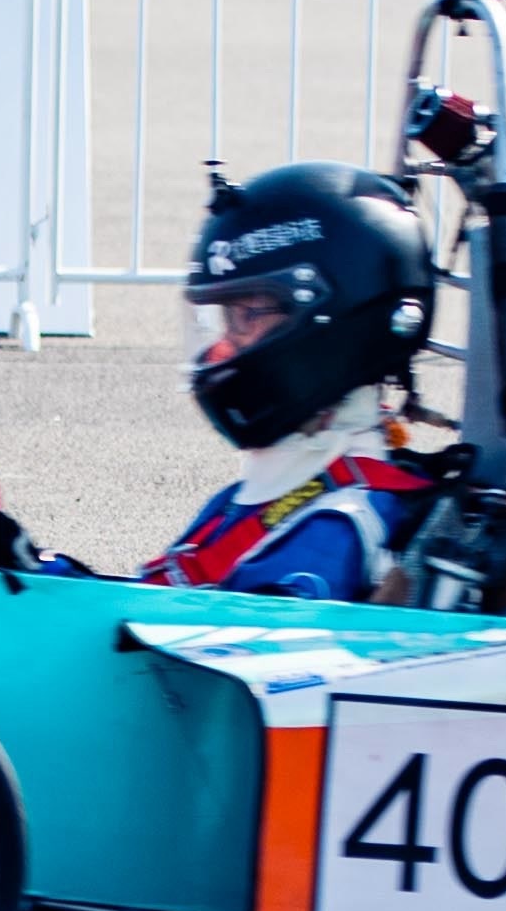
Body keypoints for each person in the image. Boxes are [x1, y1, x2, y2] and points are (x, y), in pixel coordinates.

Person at [140, 163, 442, 600]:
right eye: (227, 319)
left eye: (247, 317)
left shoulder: (334, 527)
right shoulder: (259, 493)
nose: (223, 349)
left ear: (328, 326)